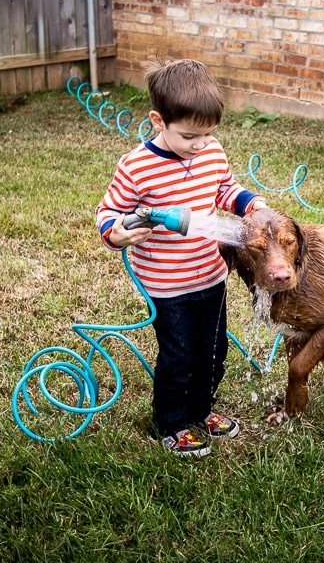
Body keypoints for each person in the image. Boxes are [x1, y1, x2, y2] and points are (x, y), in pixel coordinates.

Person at [96, 59, 266, 456]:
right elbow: (107, 214)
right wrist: (118, 233)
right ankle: (170, 423)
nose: (200, 145)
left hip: (210, 275)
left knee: (214, 350)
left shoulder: (211, 151)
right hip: (166, 284)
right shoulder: (137, 167)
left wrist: (250, 204)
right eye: (190, 136)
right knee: (179, 357)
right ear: (159, 120)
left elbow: (224, 188)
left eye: (208, 134)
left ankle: (202, 410)